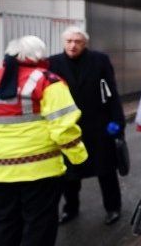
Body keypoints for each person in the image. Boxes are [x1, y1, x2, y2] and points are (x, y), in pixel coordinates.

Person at [0, 36, 88, 246]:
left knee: (4, 221)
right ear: (39, 55)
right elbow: (64, 127)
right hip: (39, 170)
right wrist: (78, 158)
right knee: (39, 225)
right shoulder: (48, 81)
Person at [48, 26, 126, 225]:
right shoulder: (53, 63)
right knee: (70, 173)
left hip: (98, 123)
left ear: (85, 43)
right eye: (69, 41)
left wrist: (116, 121)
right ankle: (70, 208)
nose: (73, 45)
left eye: (77, 41)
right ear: (63, 42)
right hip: (69, 125)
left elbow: (112, 92)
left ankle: (113, 208)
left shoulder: (99, 60)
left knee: (105, 170)